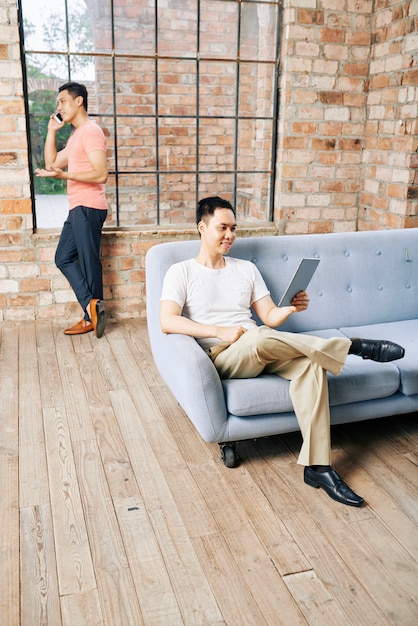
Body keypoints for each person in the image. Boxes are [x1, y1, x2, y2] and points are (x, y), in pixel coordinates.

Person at [160, 196, 405, 507]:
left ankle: (318, 467)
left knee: (311, 365)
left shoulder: (245, 269)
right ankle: (352, 347)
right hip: (226, 353)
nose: (230, 235)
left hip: (261, 342)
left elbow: (269, 317)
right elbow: (167, 322)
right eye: (222, 227)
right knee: (259, 338)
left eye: (234, 228)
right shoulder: (180, 272)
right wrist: (217, 331)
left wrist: (290, 307)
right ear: (201, 227)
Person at [35, 82, 108, 337]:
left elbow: (101, 174)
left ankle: (91, 316)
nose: (59, 107)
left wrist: (65, 176)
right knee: (63, 258)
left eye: (63, 101)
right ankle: (92, 307)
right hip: (78, 206)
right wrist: (52, 131)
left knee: (89, 263)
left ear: (79, 101)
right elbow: (51, 162)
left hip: (88, 206)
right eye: (58, 104)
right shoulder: (77, 135)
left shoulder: (91, 131)